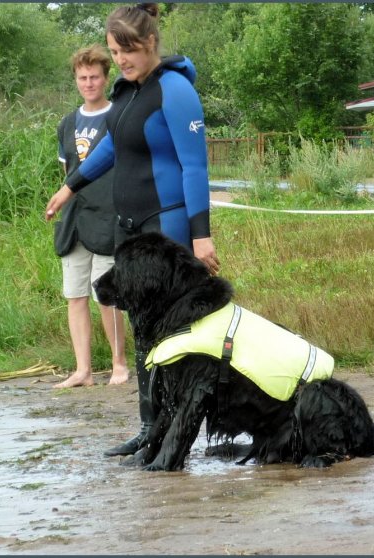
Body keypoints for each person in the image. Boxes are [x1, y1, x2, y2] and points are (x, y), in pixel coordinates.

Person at [45, 3, 220, 455]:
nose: (121, 60)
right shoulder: (125, 92)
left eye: (128, 50)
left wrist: (201, 236)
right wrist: (70, 187)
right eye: (114, 51)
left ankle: (174, 431)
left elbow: (194, 167)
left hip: (167, 225)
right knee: (142, 330)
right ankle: (149, 428)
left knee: (170, 333)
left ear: (150, 44)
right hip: (129, 227)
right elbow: (108, 149)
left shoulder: (175, 90)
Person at [52, 44, 129, 389]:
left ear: (105, 77)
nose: (88, 83)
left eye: (94, 77)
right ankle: (82, 370)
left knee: (106, 295)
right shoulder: (67, 123)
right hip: (75, 220)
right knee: (75, 294)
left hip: (110, 217)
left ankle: (119, 365)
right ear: (76, 80)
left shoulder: (121, 115)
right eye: (82, 77)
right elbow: (68, 173)